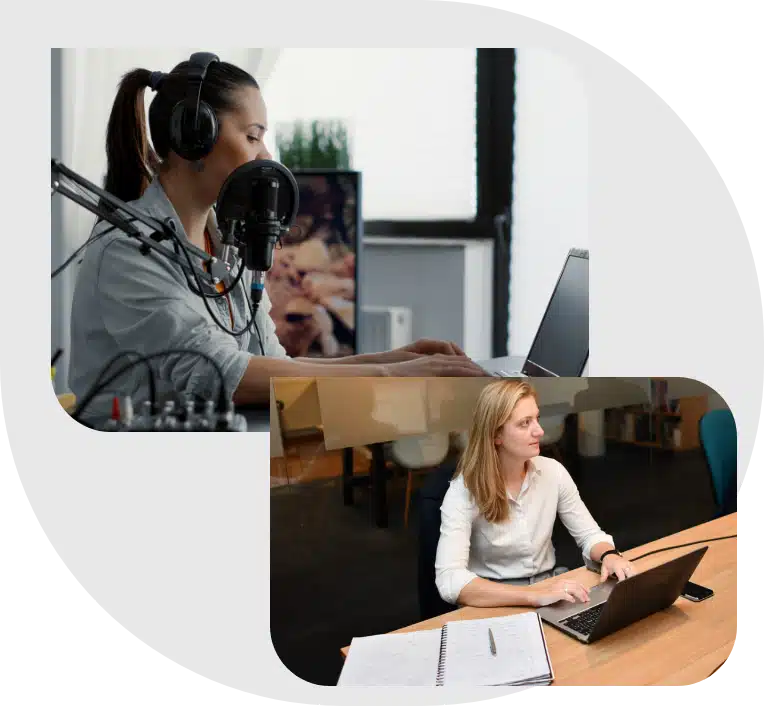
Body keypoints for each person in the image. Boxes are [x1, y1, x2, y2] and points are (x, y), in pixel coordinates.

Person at [67, 53, 487, 424]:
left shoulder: (227, 243)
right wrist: (393, 377)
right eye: (252, 136)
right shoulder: (127, 251)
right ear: (193, 138)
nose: (265, 154)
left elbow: (271, 367)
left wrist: (398, 359)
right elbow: (225, 376)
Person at [435, 379, 637, 609]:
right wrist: (533, 595)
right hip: (495, 601)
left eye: (537, 418)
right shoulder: (464, 490)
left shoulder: (552, 472)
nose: (539, 431)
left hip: (550, 593)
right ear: (495, 435)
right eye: (524, 423)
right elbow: (449, 579)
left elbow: (590, 535)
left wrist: (609, 555)